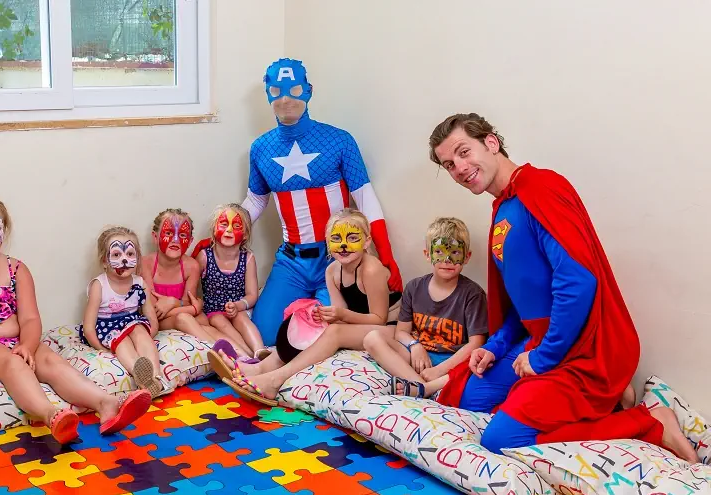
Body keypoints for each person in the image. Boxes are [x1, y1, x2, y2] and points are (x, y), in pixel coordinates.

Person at [428, 113, 696, 462]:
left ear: (491, 143)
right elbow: (521, 301)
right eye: (449, 164)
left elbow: (578, 281)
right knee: (466, 397)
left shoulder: (541, 187)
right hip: (537, 338)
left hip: (579, 347)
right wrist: (496, 346)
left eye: (464, 152)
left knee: (500, 440)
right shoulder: (505, 206)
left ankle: (651, 422)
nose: (459, 168)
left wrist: (543, 358)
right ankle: (599, 403)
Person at [0, 196, 151, 442]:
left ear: (4, 230)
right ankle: (52, 415)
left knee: (51, 361)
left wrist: (27, 346)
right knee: (13, 364)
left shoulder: (16, 269)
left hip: (19, 339)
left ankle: (106, 403)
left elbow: (30, 318)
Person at [241, 58, 403, 342]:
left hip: (338, 259)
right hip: (291, 261)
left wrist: (386, 255)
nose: (286, 99)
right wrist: (223, 230)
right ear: (268, 94)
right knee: (264, 333)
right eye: (277, 91)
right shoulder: (260, 148)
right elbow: (255, 201)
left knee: (319, 334)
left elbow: (365, 199)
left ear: (309, 90)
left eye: (294, 90)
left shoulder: (339, 141)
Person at [209, 208, 392, 406]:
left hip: (384, 329)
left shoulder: (371, 269)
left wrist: (340, 315)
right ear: (328, 242)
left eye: (353, 238)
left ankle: (275, 381)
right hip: (358, 325)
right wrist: (324, 316)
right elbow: (339, 313)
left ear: (366, 241)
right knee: (308, 326)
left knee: (335, 332)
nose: (344, 245)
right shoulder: (332, 270)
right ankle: (258, 368)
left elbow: (379, 319)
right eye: (336, 238)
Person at [364, 217, 487, 398]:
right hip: (417, 357)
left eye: (455, 252)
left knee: (478, 367)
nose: (447, 260)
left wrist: (440, 370)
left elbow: (477, 343)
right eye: (439, 251)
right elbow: (401, 332)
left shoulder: (473, 294)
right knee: (372, 338)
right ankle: (423, 387)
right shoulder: (414, 287)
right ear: (428, 254)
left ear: (466, 256)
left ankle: (423, 389)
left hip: (451, 361)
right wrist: (415, 346)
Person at [81, 226, 165, 398]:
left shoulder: (140, 283)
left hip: (133, 322)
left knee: (140, 330)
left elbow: (151, 317)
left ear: (137, 258)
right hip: (107, 328)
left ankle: (156, 378)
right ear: (104, 261)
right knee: (122, 341)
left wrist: (148, 335)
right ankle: (142, 379)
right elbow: (89, 327)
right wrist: (101, 349)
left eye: (130, 254)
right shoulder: (99, 285)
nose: (124, 260)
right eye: (116, 255)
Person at [140, 209, 225, 345]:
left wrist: (174, 302)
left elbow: (187, 300)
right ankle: (217, 351)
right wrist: (194, 309)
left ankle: (243, 354)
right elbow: (155, 310)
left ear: (190, 241)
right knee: (184, 318)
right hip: (159, 320)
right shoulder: (146, 264)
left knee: (202, 321)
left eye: (182, 235)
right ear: (155, 237)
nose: (176, 240)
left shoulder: (192, 266)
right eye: (169, 233)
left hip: (182, 313)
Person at [196, 204, 266, 358]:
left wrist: (238, 305)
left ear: (245, 234)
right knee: (219, 320)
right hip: (213, 311)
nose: (229, 230)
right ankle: (247, 355)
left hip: (239, 309)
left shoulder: (248, 258)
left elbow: (252, 295)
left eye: (236, 226)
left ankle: (260, 351)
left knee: (240, 317)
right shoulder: (204, 257)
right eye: (223, 224)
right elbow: (191, 287)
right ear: (214, 229)